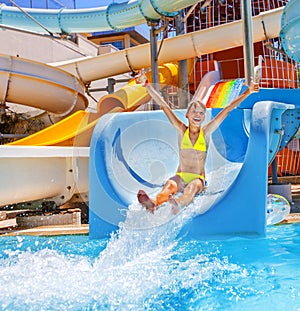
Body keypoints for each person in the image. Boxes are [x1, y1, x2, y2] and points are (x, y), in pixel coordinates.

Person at [136, 70, 259, 214]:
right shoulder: (182, 131)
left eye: (201, 113)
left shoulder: (206, 132)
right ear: (187, 115)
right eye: (194, 112)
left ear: (204, 117)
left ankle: (179, 204)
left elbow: (228, 108)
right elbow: (164, 105)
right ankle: (154, 203)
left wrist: (248, 92)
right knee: (169, 185)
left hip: (198, 179)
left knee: (191, 188)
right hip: (181, 176)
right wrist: (146, 85)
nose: (198, 115)